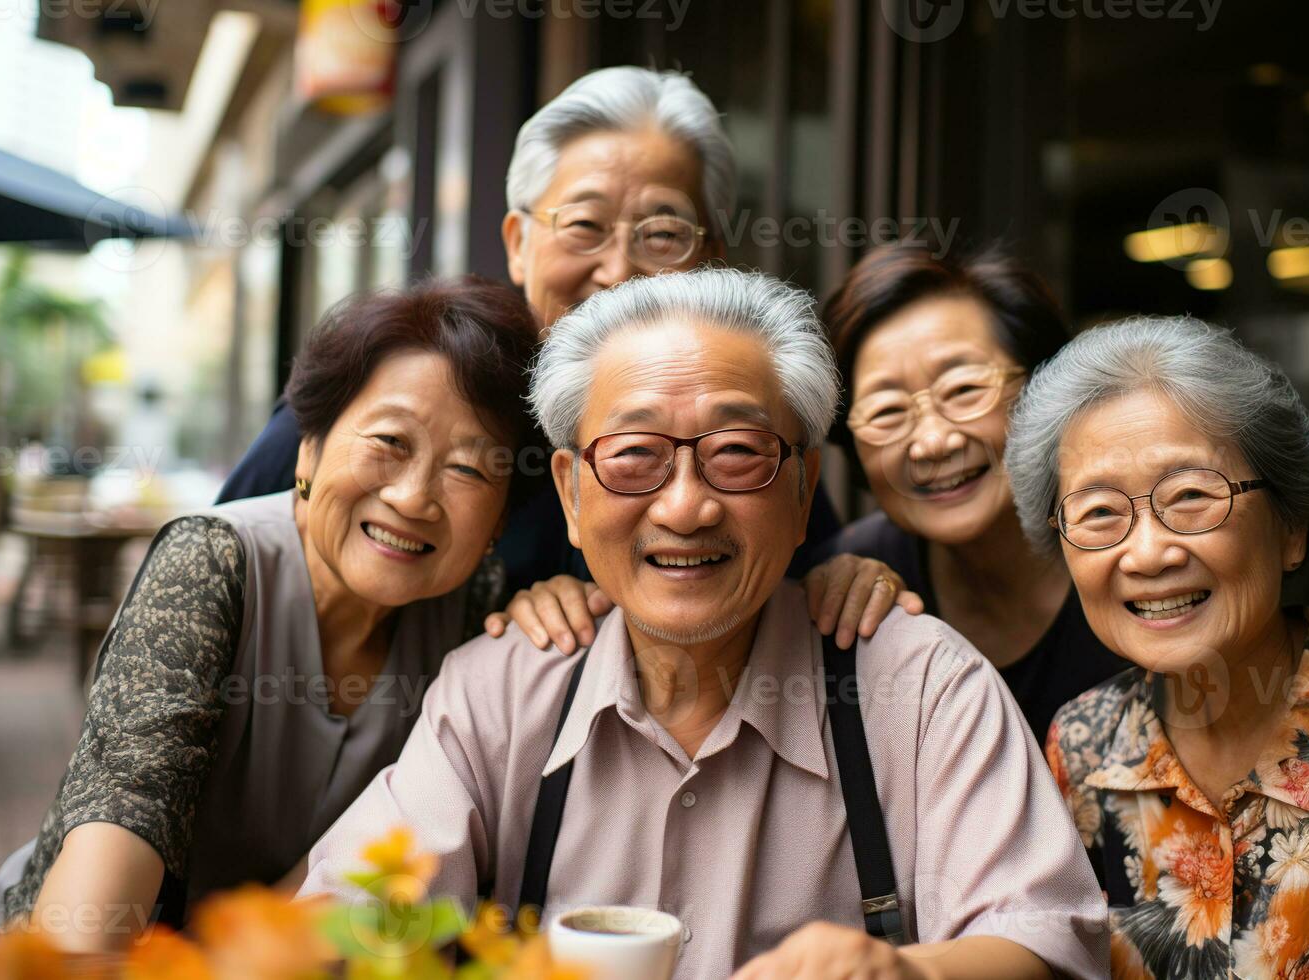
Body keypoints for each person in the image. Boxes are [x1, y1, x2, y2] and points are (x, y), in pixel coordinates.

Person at [298, 268, 1108, 980]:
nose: (686, 505)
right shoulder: (503, 689)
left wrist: (900, 971)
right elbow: (349, 918)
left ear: (802, 490)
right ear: (573, 495)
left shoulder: (921, 685)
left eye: (737, 450)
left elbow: (1043, 940)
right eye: (635, 455)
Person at [0, 277, 537, 950]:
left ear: (500, 520)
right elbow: (116, 837)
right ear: (309, 447)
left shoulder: (476, 608)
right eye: (391, 442)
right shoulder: (210, 562)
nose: (414, 497)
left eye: (470, 471)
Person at [216, 66, 842, 602]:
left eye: (662, 233)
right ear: (519, 245)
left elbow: (818, 575)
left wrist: (848, 579)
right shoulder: (421, 383)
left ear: (711, 255)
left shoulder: (748, 427)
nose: (619, 271)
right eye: (584, 224)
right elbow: (234, 555)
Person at [1008, 315, 1309, 977]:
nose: (1148, 553)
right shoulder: (1084, 744)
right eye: (1099, 512)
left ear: (1291, 527)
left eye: (1191, 496)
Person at [806, 242, 1124, 744]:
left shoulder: (1135, 555)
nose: (934, 441)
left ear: (1043, 391)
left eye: (964, 391)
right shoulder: (841, 591)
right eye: (888, 412)